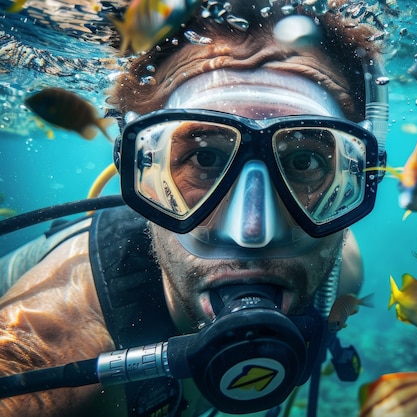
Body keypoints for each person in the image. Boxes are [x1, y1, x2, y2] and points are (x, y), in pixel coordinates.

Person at [0, 1, 388, 416]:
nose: (250, 232)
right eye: (204, 159)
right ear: (142, 172)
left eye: (304, 162)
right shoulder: (52, 350)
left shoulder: (343, 272)